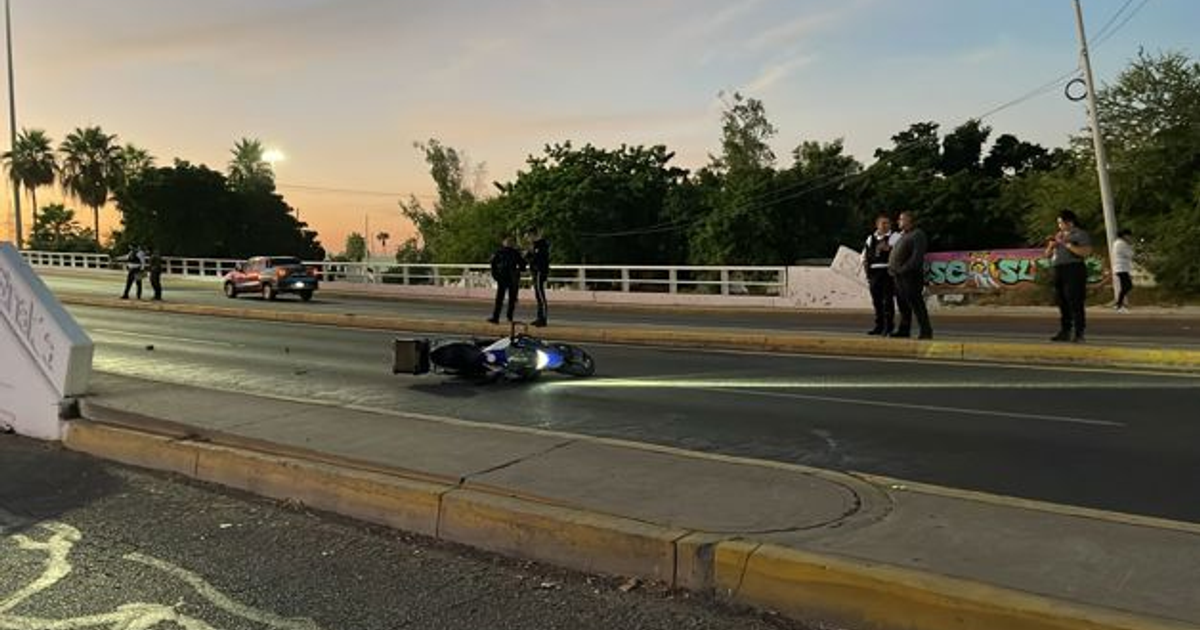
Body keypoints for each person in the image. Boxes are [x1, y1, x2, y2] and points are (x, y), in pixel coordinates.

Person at [1044, 210, 1093, 342]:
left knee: (1075, 301)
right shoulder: (1058, 235)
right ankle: (1065, 330)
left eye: (1061, 222)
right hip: (1059, 268)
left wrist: (1066, 244)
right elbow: (1047, 255)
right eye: (1058, 223)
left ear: (1069, 222)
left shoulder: (1080, 234)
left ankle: (1079, 332)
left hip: (1074, 268)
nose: (1059, 225)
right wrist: (1051, 246)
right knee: (1062, 301)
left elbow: (1086, 252)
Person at [887, 211, 933, 340]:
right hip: (898, 276)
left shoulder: (917, 234)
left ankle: (926, 331)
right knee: (903, 305)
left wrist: (903, 269)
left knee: (916, 304)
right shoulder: (902, 235)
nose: (898, 221)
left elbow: (916, 258)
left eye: (901, 219)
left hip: (910, 276)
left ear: (909, 220)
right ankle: (904, 330)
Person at [862, 214, 901, 336]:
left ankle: (889, 326)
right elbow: (865, 256)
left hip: (888, 271)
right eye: (882, 223)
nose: (885, 226)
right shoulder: (870, 238)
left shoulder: (895, 237)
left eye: (887, 223)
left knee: (887, 300)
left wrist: (889, 249)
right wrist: (868, 273)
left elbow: (899, 252)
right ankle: (879, 325)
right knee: (876, 300)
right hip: (874, 272)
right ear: (877, 225)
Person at [488, 235, 525, 324]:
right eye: (507, 241)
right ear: (503, 242)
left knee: (510, 298)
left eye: (510, 241)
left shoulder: (514, 253)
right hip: (504, 277)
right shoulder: (500, 252)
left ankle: (507, 317)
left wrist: (517, 272)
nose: (508, 243)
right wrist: (495, 275)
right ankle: (497, 317)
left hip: (510, 277)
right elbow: (493, 264)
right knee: (501, 298)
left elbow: (522, 265)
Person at [525, 227, 550, 327]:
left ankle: (543, 318)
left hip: (540, 271)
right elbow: (530, 258)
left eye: (528, 236)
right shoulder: (534, 246)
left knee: (540, 295)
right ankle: (539, 317)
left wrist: (530, 256)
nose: (527, 239)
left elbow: (539, 259)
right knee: (538, 295)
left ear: (532, 235)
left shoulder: (541, 244)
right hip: (535, 271)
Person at [1112, 228, 1134, 313]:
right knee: (1127, 286)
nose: (1130, 237)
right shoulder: (1121, 244)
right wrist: (1130, 245)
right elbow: (1130, 254)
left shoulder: (1119, 243)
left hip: (1122, 268)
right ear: (1124, 235)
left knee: (1126, 286)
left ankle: (1118, 304)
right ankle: (1118, 305)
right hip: (1121, 268)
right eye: (1129, 235)